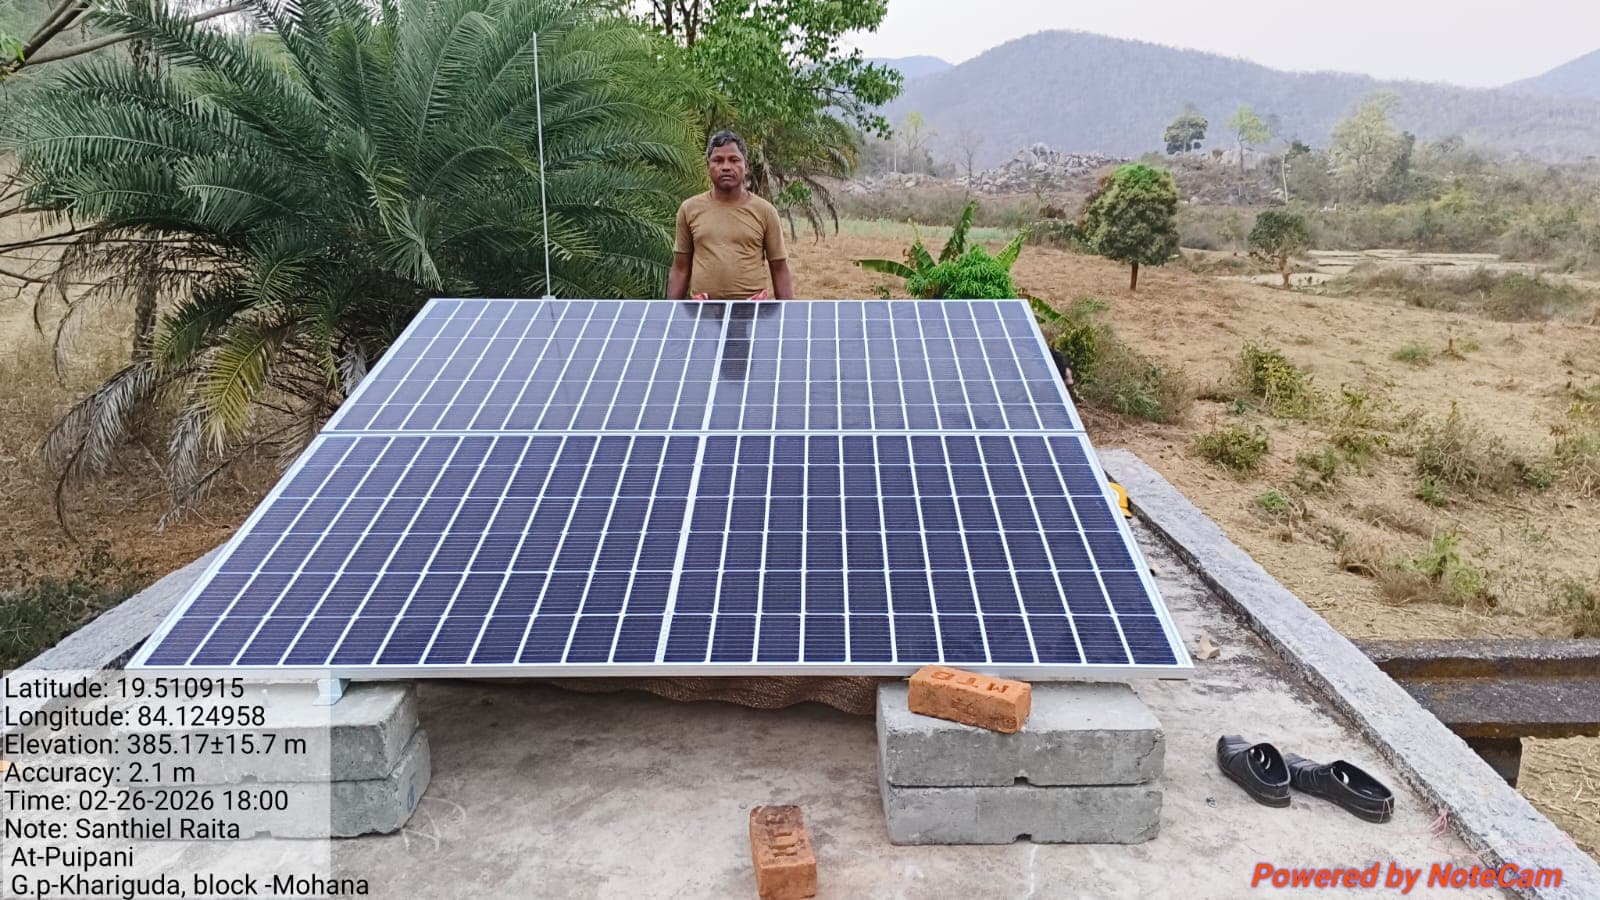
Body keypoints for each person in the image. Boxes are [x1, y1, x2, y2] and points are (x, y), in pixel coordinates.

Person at [668, 130, 795, 301]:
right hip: (703, 312)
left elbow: (779, 267)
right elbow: (680, 268)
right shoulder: (689, 209)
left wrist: (785, 318)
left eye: (734, 160)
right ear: (708, 166)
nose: (726, 167)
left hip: (751, 312)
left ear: (746, 166)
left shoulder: (765, 211)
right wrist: (671, 313)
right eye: (718, 160)